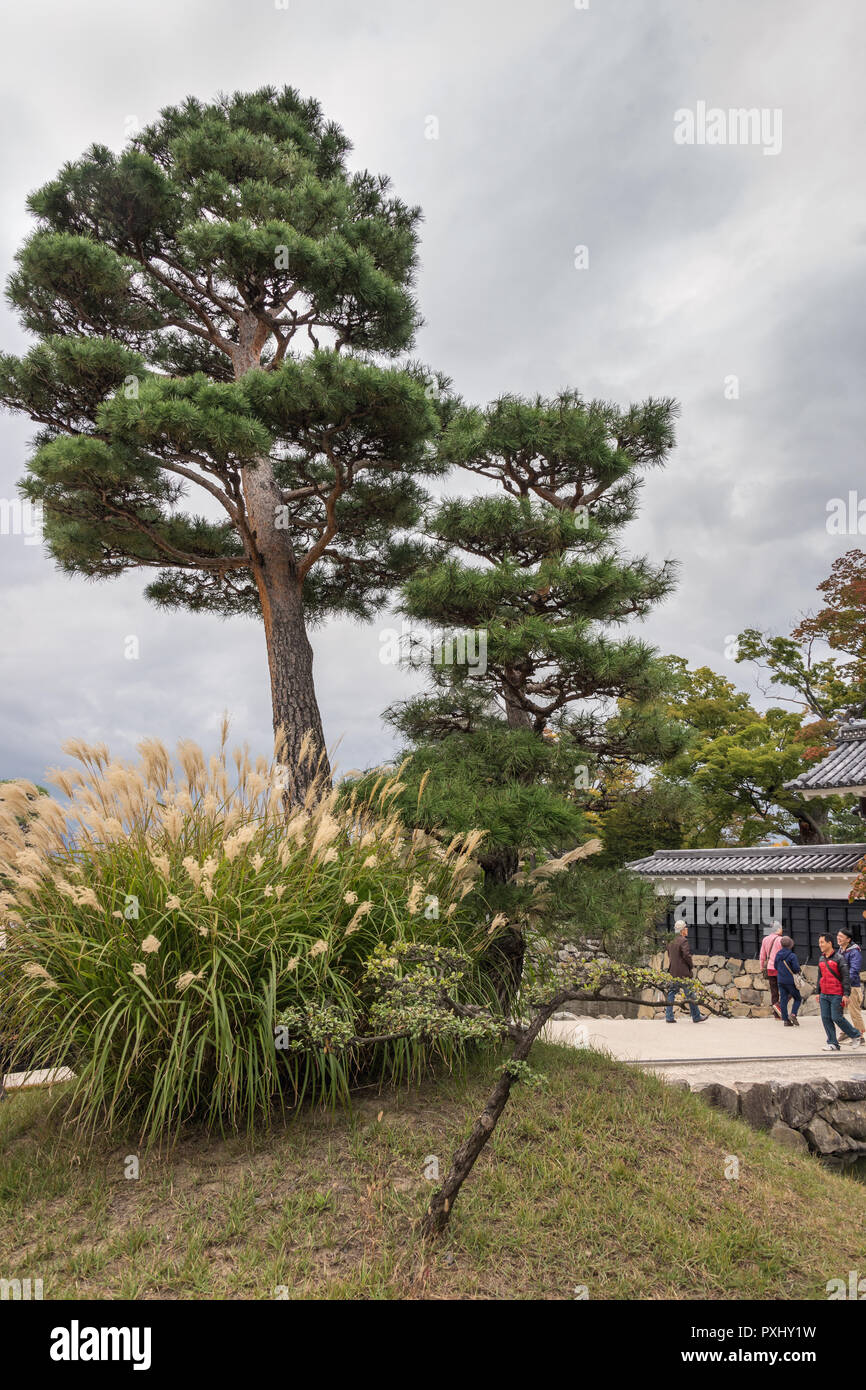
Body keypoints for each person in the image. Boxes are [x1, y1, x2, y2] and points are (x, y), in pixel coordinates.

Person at [816, 932, 864, 1052]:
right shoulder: (821, 958)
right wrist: (818, 992)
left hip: (836, 993)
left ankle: (856, 1035)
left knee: (837, 1017)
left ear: (829, 943)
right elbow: (819, 976)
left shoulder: (839, 958)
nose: (820, 945)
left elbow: (846, 977)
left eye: (822, 942)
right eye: (819, 942)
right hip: (824, 994)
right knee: (826, 1018)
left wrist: (846, 994)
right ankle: (832, 1043)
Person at [664, 920, 708, 1023]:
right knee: (690, 994)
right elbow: (686, 956)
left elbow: (670, 955)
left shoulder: (670, 941)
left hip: (673, 972)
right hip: (683, 973)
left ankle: (669, 1016)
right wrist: (690, 965)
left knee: (671, 993)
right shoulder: (683, 941)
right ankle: (696, 1016)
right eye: (686, 928)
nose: (687, 930)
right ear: (682, 930)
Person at [837, 930, 864, 1038]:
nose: (838, 938)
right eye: (838, 935)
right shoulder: (840, 951)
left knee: (854, 1012)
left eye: (841, 936)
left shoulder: (854, 952)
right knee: (838, 1011)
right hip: (841, 986)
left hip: (852, 987)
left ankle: (860, 1036)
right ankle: (846, 1031)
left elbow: (854, 970)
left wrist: (845, 983)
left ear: (848, 940)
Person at [773, 936, 802, 1027]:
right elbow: (796, 968)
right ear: (791, 945)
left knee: (783, 1000)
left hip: (780, 980)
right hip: (790, 981)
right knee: (797, 998)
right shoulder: (792, 955)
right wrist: (798, 971)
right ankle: (793, 1015)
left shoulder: (778, 954)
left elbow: (775, 966)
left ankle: (786, 1020)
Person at [759, 921, 784, 1019]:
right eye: (781, 928)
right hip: (780, 969)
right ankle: (780, 1007)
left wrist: (761, 966)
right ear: (777, 929)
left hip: (770, 968)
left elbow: (762, 954)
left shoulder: (765, 939)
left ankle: (776, 1015)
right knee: (784, 990)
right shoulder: (781, 940)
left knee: (774, 992)